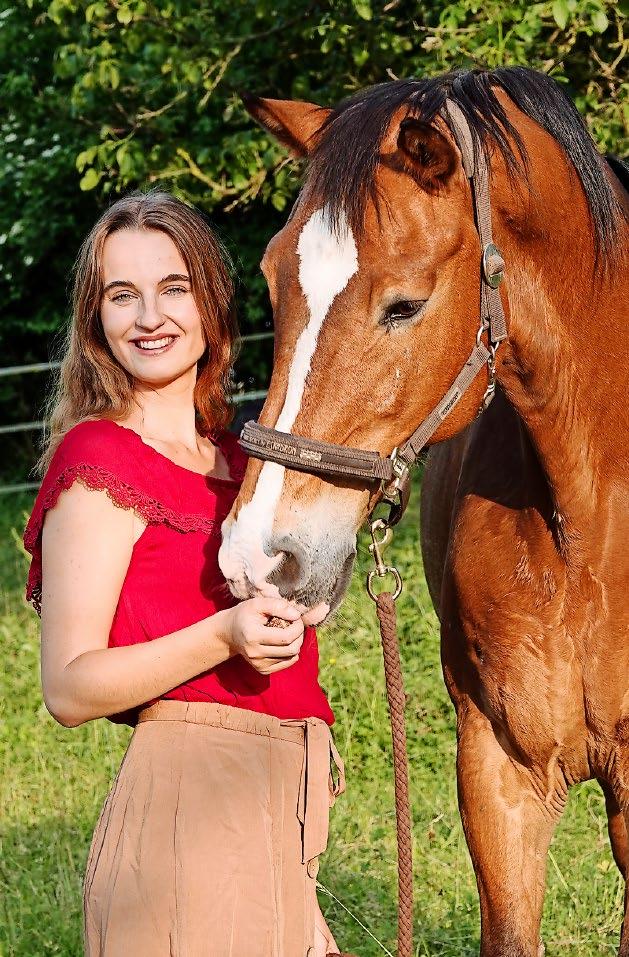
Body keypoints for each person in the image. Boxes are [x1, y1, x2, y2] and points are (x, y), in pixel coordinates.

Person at [22, 189, 349, 957]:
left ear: (210, 300)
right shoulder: (100, 458)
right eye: (121, 295)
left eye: (172, 287)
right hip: (188, 815)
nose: (149, 317)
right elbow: (68, 687)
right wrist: (225, 633)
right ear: (95, 319)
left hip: (283, 812)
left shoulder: (245, 463)